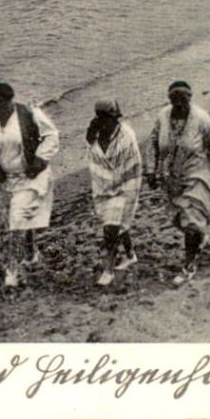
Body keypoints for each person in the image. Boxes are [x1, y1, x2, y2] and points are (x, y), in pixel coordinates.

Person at [0, 82, 60, 290]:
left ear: (10, 100)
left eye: (1, 104)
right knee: (18, 218)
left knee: (16, 222)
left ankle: (11, 272)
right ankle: (31, 251)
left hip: (31, 177)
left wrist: (40, 159)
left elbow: (51, 135)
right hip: (7, 180)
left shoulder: (28, 113)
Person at [150, 80, 210, 284]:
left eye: (183, 99)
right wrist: (150, 170)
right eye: (174, 99)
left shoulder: (201, 119)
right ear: (169, 100)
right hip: (172, 176)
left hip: (197, 173)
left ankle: (189, 265)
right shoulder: (162, 117)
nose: (178, 104)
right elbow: (152, 142)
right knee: (179, 218)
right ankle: (198, 240)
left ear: (189, 99)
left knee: (192, 219)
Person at [85, 99, 142, 287]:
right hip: (103, 187)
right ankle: (130, 255)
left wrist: (119, 189)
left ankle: (108, 270)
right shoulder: (95, 134)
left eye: (108, 117)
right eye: (101, 117)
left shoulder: (126, 135)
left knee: (110, 229)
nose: (105, 120)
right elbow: (95, 158)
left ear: (115, 117)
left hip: (125, 185)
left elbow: (133, 166)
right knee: (118, 223)